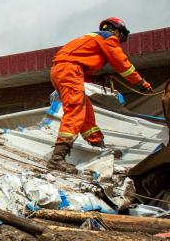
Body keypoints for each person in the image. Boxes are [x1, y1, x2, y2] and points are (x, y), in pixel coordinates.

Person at [48, 17, 151, 171]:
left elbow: (78, 65)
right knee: (75, 111)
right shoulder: (108, 38)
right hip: (69, 71)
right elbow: (122, 64)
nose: (120, 40)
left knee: (85, 110)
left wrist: (96, 78)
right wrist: (141, 82)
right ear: (116, 30)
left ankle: (98, 145)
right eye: (121, 35)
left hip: (64, 71)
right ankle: (57, 159)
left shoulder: (93, 39)